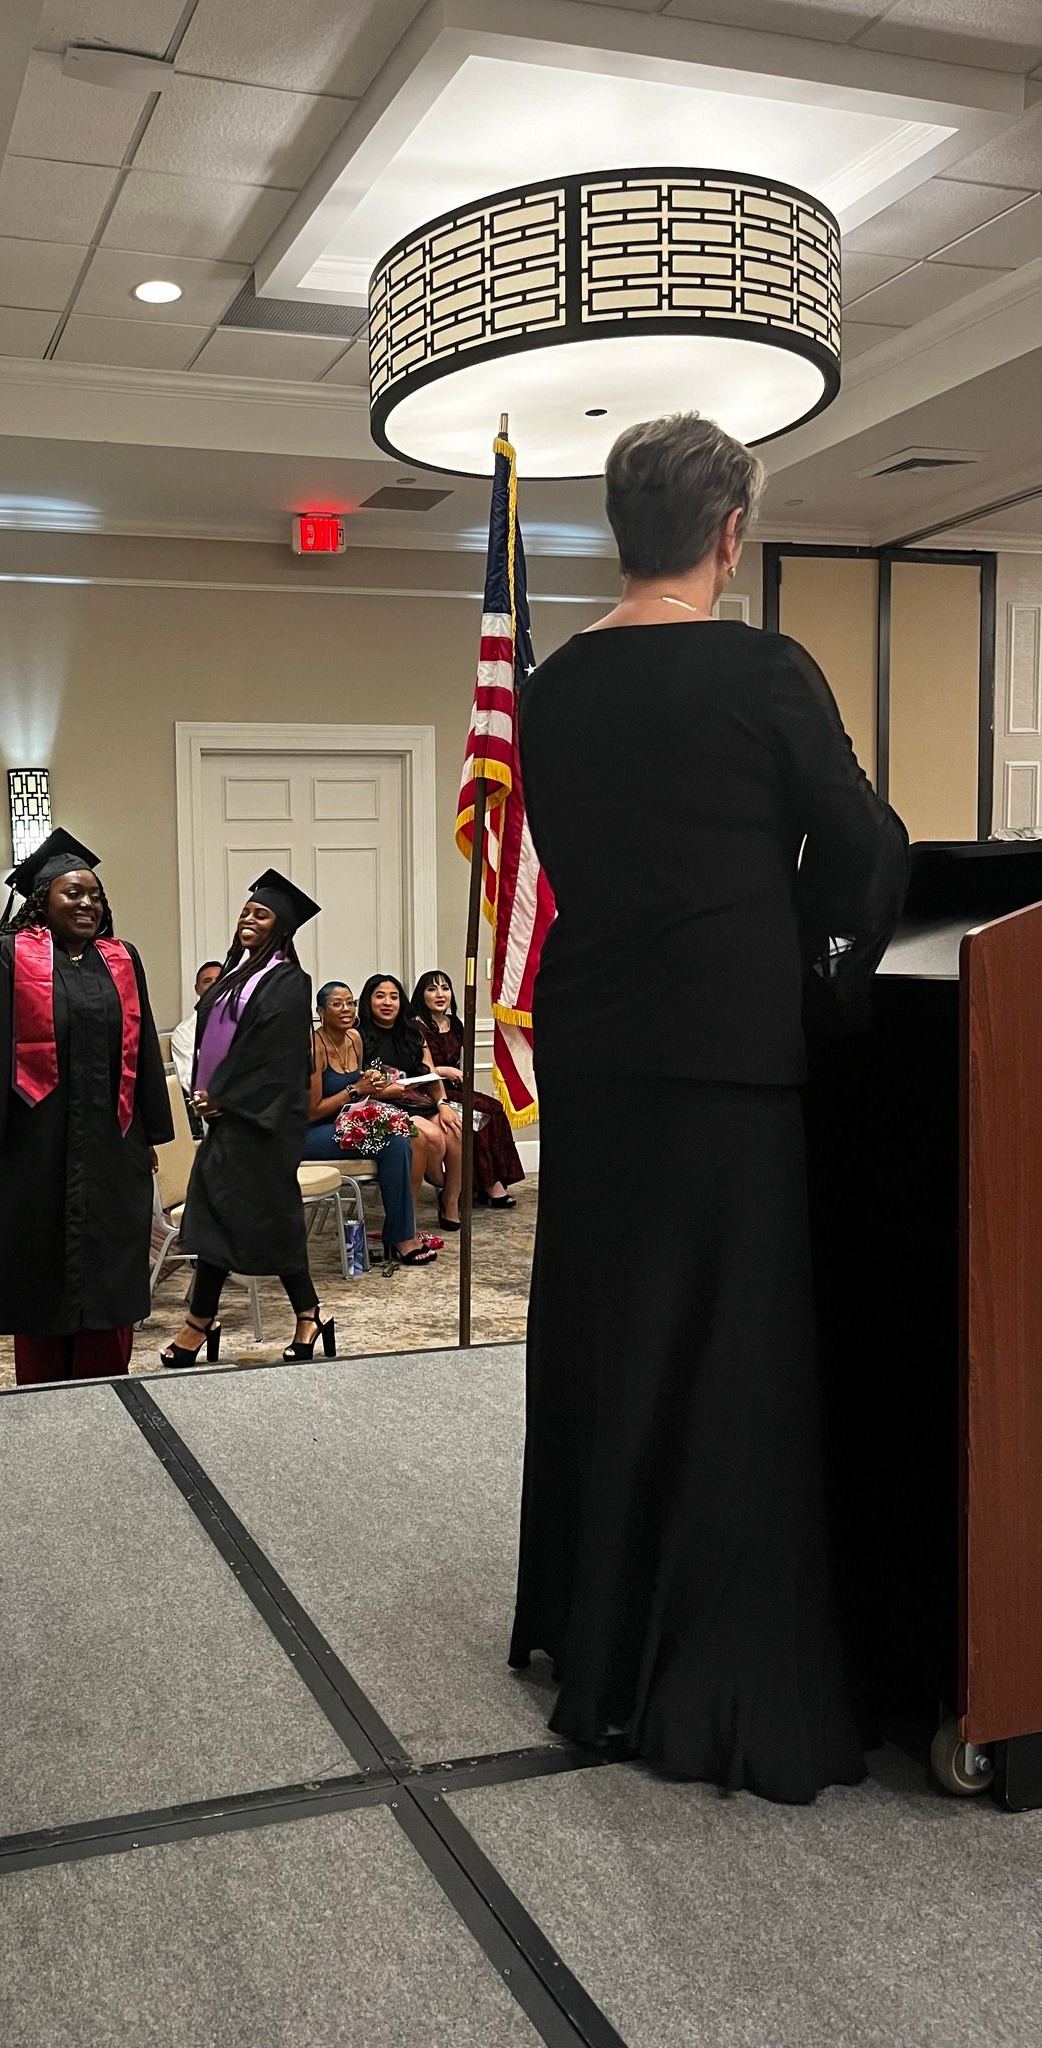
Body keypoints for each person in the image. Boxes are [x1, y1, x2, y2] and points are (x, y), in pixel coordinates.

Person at [509, 413, 909, 1804]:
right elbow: (863, 843)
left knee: (615, 1330)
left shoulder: (549, 692)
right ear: (730, 535)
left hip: (599, 1050)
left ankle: (600, 1635)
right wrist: (833, 973)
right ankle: (711, 1649)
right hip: (734, 1051)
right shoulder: (762, 671)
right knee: (730, 1356)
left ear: (625, 532)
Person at [0, 828, 174, 1386]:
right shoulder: (5, 957)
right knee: (39, 1266)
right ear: (41, 900)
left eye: (95, 894)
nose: (87, 902)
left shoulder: (122, 960)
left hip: (112, 1149)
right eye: (73, 893)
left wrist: (148, 1137)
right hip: (30, 1149)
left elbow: (139, 1051)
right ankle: (41, 1392)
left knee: (110, 1268)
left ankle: (109, 1388)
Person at [167, 871, 334, 1366]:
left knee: (269, 1218)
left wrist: (225, 1096)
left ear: (280, 925)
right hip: (228, 1116)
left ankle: (301, 1315)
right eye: (245, 911)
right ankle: (207, 1321)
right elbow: (210, 1038)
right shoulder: (238, 974)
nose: (248, 919)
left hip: (263, 1120)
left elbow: (273, 1056)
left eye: (260, 914)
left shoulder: (289, 980)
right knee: (218, 1212)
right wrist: (204, 1091)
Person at [304, 981, 435, 1265]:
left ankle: (399, 1234)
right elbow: (312, 1111)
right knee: (393, 1144)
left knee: (402, 1135)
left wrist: (373, 1083)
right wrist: (356, 1090)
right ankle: (401, 1238)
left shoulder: (354, 1039)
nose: (346, 1009)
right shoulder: (313, 1048)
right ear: (321, 1011)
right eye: (337, 1004)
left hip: (346, 1121)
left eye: (350, 1003)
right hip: (311, 1133)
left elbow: (359, 1082)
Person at [410, 969, 525, 1207]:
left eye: (445, 988)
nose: (440, 994)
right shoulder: (415, 1028)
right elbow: (415, 1069)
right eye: (432, 989)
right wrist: (443, 1071)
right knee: (477, 1116)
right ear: (422, 996)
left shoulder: (455, 1024)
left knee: (494, 1108)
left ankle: (490, 1182)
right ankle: (485, 1186)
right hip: (428, 1090)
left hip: (455, 1088)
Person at [357, 972, 463, 1229]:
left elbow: (431, 1075)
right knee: (427, 1136)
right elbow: (355, 1087)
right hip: (381, 1107)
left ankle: (450, 1201)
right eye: (379, 996)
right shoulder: (357, 1036)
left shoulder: (414, 1032)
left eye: (393, 996)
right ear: (368, 1001)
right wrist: (384, 1091)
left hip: (419, 1102)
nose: (387, 1002)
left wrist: (444, 1105)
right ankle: (409, 1215)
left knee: (456, 1129)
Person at [171, 960, 221, 1094]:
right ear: (197, 989)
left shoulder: (244, 1021)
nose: (215, 985)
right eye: (207, 981)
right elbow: (190, 1081)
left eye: (220, 979)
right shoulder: (184, 1033)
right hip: (212, 1104)